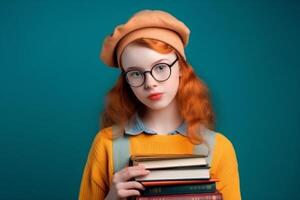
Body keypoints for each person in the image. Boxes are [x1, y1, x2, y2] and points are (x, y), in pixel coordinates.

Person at [79, 9, 241, 200]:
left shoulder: (219, 148)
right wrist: (111, 198)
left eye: (161, 67)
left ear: (180, 67)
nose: (150, 83)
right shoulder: (106, 144)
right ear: (126, 80)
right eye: (136, 73)